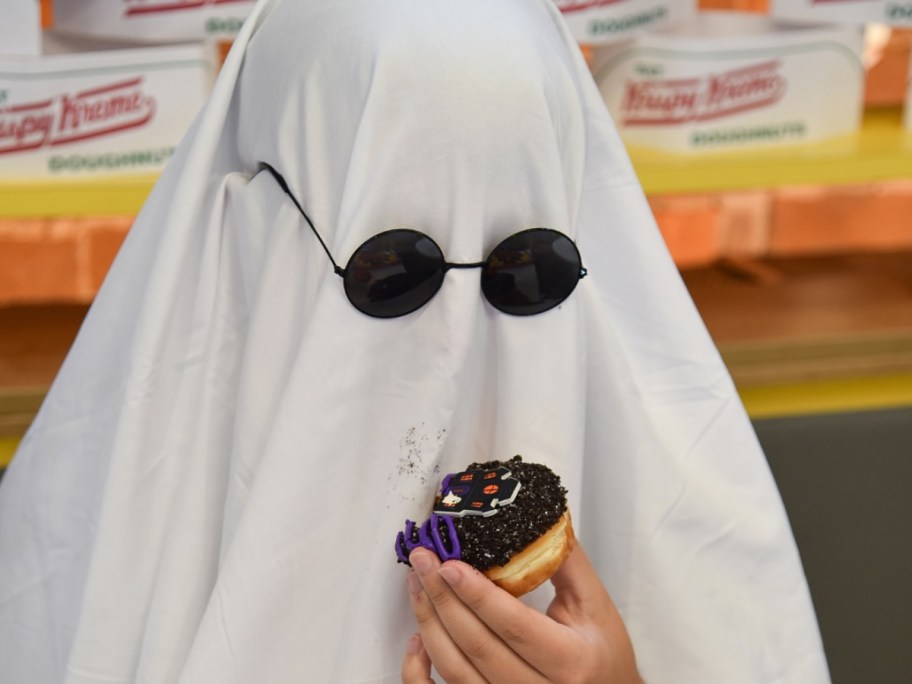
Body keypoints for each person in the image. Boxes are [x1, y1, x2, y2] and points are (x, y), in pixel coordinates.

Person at [0, 0, 830, 682]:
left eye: (529, 271)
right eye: (393, 274)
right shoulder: (89, 548)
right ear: (252, 234)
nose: (458, 335)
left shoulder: (696, 514)